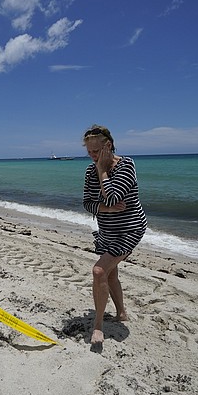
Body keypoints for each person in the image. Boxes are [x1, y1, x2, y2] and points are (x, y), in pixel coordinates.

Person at [82, 124, 147, 345]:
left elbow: (109, 196)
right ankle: (121, 313)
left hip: (130, 229)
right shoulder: (89, 171)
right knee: (110, 274)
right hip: (107, 230)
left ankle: (98, 326)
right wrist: (107, 209)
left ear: (108, 146)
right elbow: (88, 203)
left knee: (99, 271)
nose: (92, 156)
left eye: (96, 151)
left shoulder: (127, 166)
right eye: (89, 152)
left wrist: (102, 170)